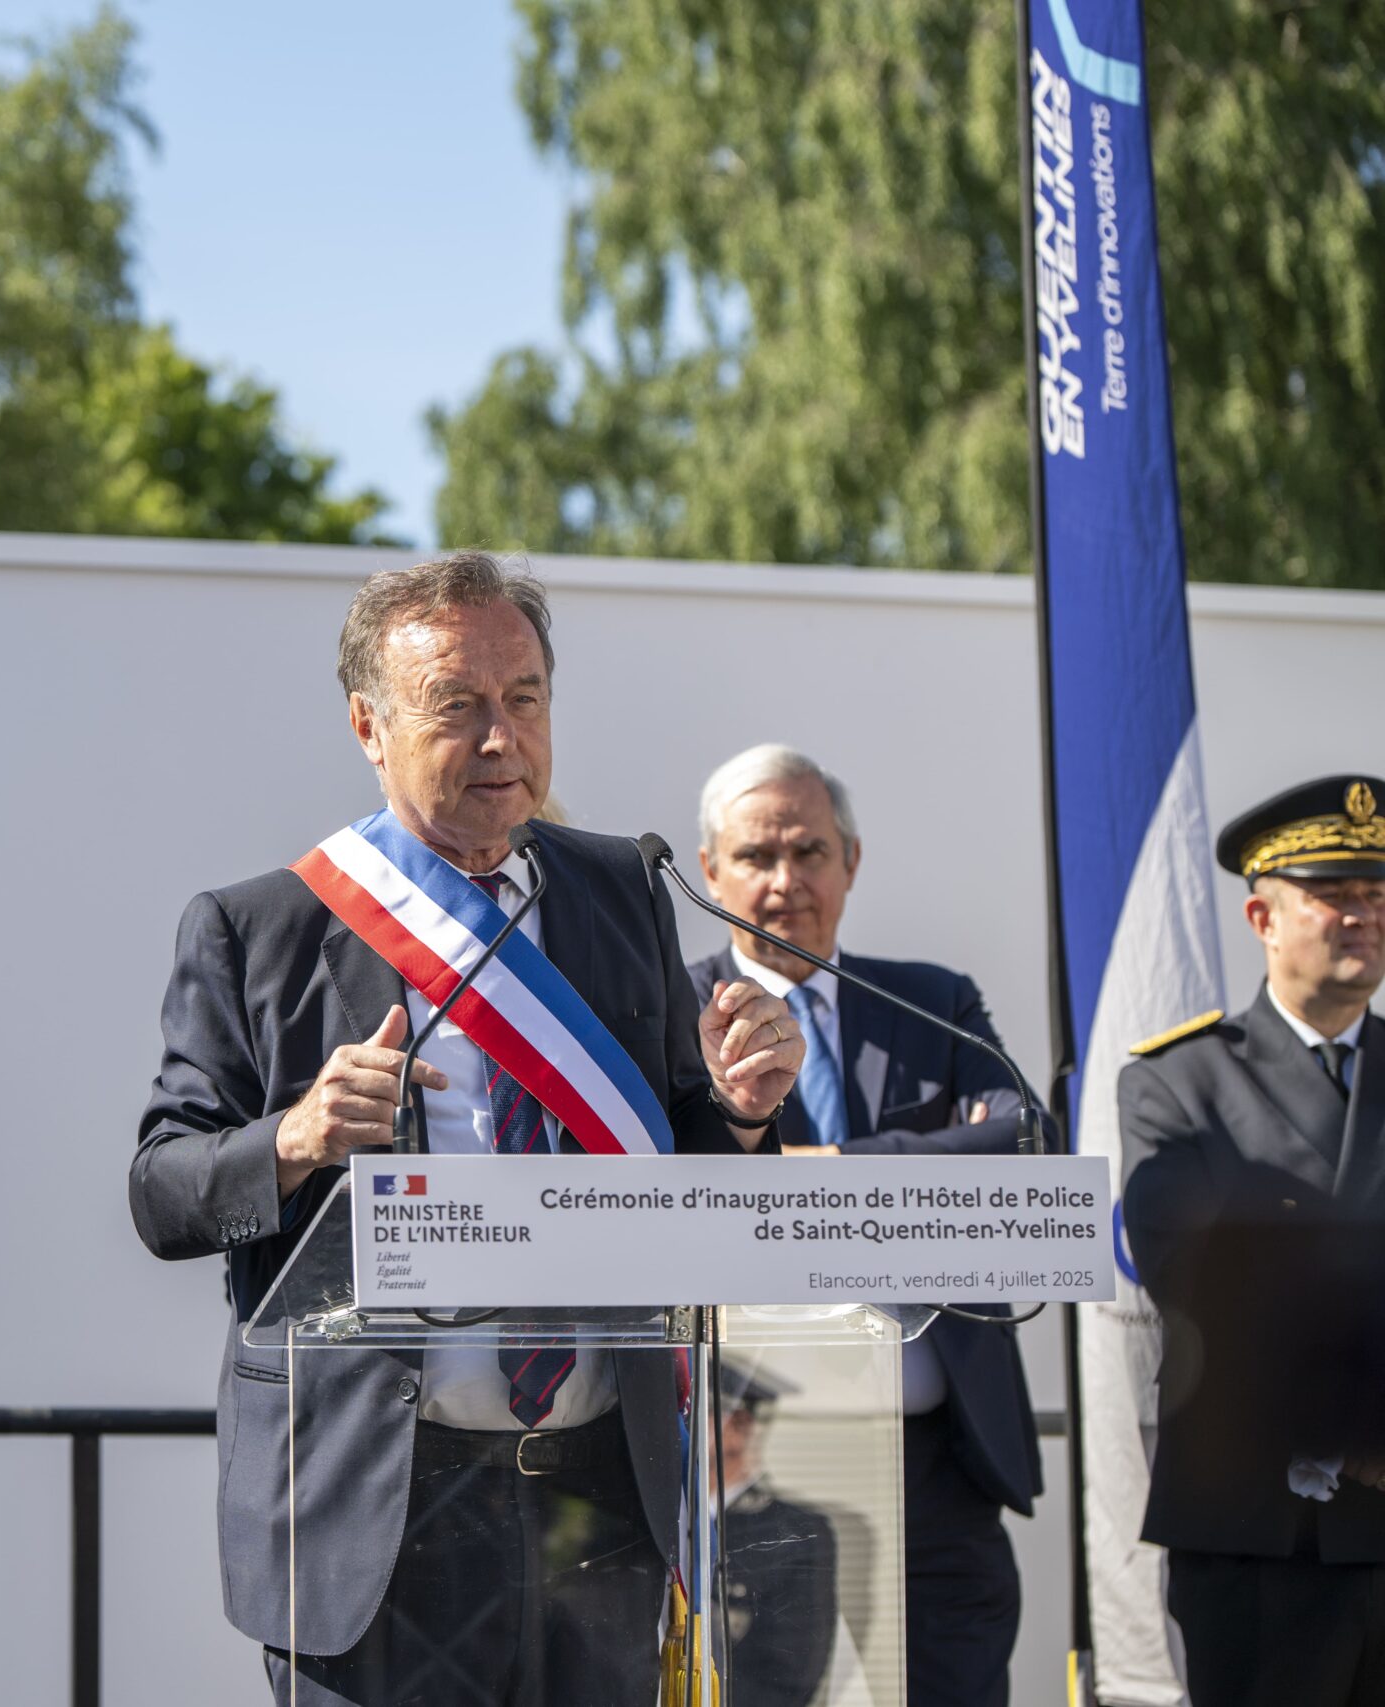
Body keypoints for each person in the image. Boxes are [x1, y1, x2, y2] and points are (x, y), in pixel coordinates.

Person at [132, 554, 806, 1706]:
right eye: (458, 706)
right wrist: (293, 1139)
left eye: (525, 699)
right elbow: (160, 1189)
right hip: (379, 1505)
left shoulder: (623, 890)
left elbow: (681, 1166)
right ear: (369, 725)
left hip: (600, 1490)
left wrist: (745, 1110)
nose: (502, 739)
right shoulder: (263, 928)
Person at [685, 744, 1040, 1707]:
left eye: (810, 850)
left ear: (851, 859)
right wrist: (928, 1178)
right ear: (710, 870)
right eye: (757, 855)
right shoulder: (667, 1016)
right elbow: (689, 1200)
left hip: (939, 1468)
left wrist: (827, 1172)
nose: (786, 881)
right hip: (744, 1470)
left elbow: (1020, 1149)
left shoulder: (933, 1003)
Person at [1122, 774, 1385, 1707]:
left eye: (1379, 895)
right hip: (1264, 1535)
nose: (1363, 916)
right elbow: (1201, 1288)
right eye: (1336, 894)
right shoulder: (1180, 1083)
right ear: (1263, 917)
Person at [714, 1366, 837, 1707]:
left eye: (696, 1413)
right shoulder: (647, 1518)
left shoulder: (795, 1532)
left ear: (739, 1428)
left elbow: (789, 1674)